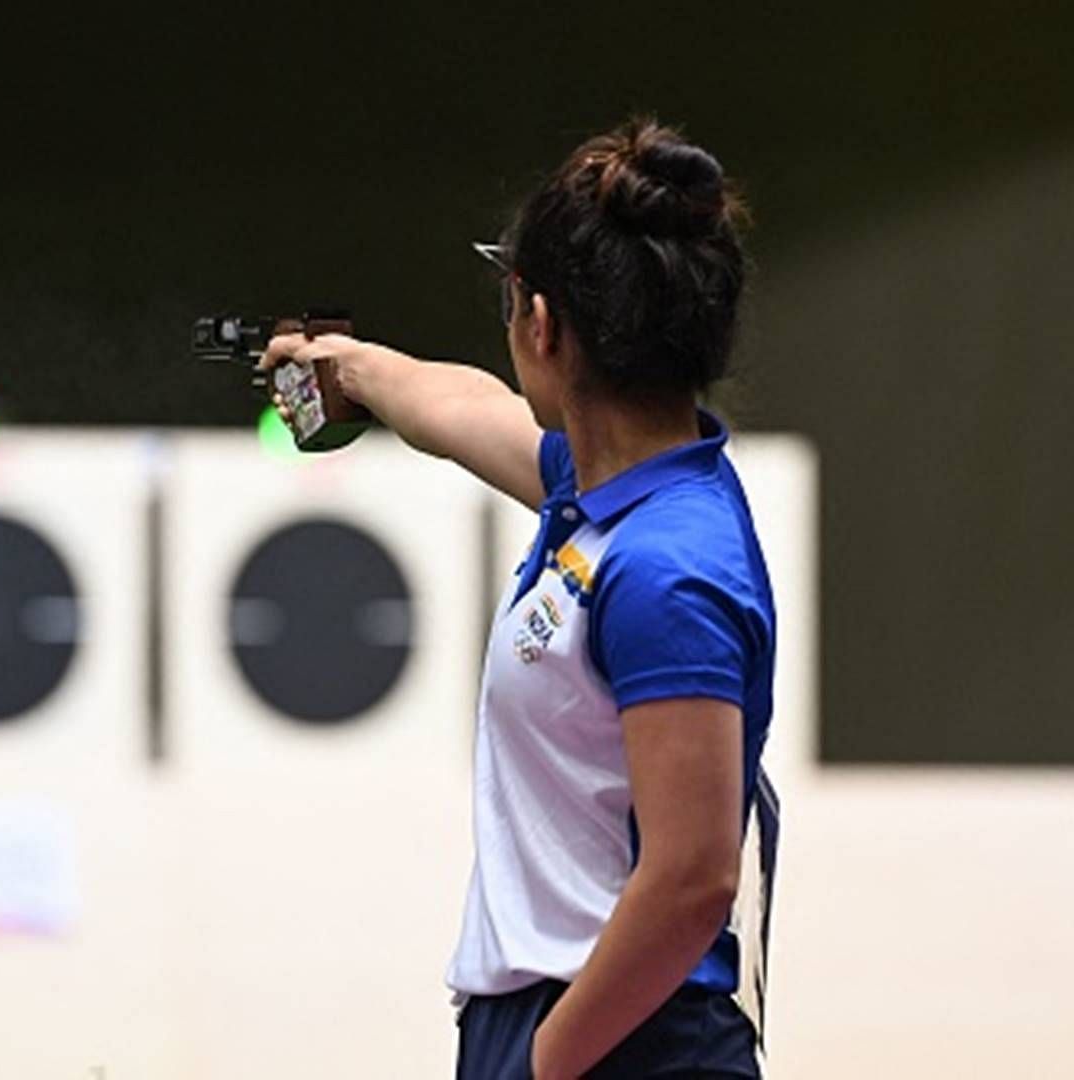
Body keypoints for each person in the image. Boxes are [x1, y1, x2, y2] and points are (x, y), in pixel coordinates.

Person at [260, 118, 775, 1080]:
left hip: (622, 1039)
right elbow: (466, 414)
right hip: (579, 1023)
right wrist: (351, 366)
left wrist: (545, 1064)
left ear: (542, 326)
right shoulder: (619, 491)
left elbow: (693, 876)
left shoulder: (670, 565)